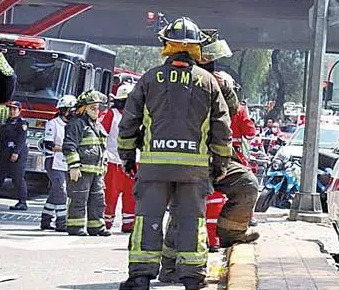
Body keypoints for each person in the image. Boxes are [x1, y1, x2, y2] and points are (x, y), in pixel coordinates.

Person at [117, 17, 232, 290]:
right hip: (194, 171)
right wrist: (220, 164)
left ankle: (140, 278)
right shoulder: (207, 82)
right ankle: (192, 279)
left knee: (148, 219)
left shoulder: (149, 79)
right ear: (196, 48)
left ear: (166, 45)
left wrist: (127, 156)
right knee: (192, 221)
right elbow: (221, 128)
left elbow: (129, 122)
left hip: (154, 169)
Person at [159, 30, 260, 284]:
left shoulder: (214, 81)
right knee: (185, 209)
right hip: (185, 156)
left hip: (215, 157)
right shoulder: (172, 77)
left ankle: (231, 234)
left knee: (247, 185)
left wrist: (223, 86)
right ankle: (170, 266)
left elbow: (233, 112)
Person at [63, 90, 111, 237]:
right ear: (83, 108)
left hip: (96, 171)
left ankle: (96, 227)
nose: (97, 111)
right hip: (81, 170)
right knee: (78, 198)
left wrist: (105, 164)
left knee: (98, 200)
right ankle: (75, 227)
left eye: (98, 108)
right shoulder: (76, 124)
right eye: (93, 108)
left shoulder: (97, 126)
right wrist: (74, 166)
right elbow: (69, 146)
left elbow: (102, 147)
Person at [101, 83, 138, 233]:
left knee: (132, 195)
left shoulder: (139, 115)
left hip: (134, 161)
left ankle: (129, 223)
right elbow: (102, 134)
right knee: (110, 193)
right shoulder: (112, 114)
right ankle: (107, 221)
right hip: (113, 161)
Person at [40, 95, 77, 231]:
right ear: (65, 110)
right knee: (61, 190)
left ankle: (46, 219)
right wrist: (66, 148)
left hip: (66, 161)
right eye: (72, 110)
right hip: (53, 161)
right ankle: (61, 222)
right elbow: (49, 145)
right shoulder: (53, 124)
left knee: (56, 190)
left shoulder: (73, 125)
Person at [0, 101, 29, 210]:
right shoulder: (6, 123)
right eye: (10, 109)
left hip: (17, 155)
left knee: (17, 178)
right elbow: (1, 141)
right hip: (4, 154)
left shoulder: (22, 124)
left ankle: (22, 202)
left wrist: (16, 152)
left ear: (19, 111)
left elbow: (21, 140)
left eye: (14, 109)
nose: (12, 111)